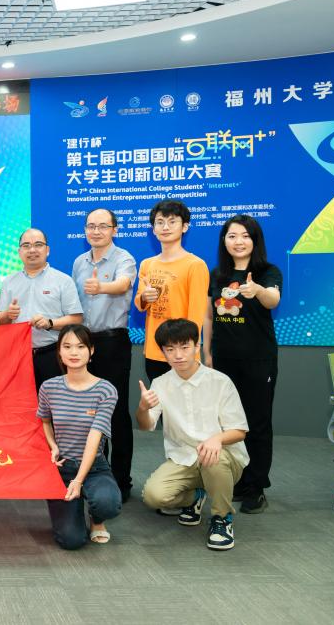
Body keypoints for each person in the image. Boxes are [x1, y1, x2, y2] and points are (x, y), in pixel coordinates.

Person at [137, 318, 249, 551]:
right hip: (183, 458)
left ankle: (222, 518)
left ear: (197, 346)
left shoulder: (220, 382)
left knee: (213, 458)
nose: (178, 355)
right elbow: (146, 426)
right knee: (153, 496)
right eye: (170, 349)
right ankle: (196, 496)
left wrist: (217, 439)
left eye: (184, 347)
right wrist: (143, 408)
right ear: (163, 352)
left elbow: (239, 431)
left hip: (222, 458)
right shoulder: (160, 383)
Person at [203, 214, 282, 514]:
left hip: (258, 360)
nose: (239, 241)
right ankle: (236, 479)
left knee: (257, 423)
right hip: (224, 359)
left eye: (245, 236)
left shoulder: (267, 271)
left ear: (255, 240)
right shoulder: (217, 274)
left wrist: (258, 291)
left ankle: (256, 486)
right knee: (228, 423)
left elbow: (273, 299)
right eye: (232, 235)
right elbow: (209, 315)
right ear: (224, 241)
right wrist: (207, 353)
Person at [71, 208, 138, 500]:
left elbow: (123, 285)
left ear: (115, 229)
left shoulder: (124, 258)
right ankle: (96, 475)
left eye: (102, 226)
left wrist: (101, 287)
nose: (95, 231)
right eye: (91, 226)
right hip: (84, 343)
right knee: (89, 412)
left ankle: (121, 480)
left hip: (112, 342)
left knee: (116, 412)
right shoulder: (79, 262)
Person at [38, 324, 122, 549]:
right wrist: (53, 445)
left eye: (80, 346)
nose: (73, 352)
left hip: (94, 467)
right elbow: (44, 421)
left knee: (108, 504)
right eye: (67, 347)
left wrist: (79, 480)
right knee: (71, 540)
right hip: (62, 469)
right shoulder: (49, 387)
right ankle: (73, 510)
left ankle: (97, 518)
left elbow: (95, 437)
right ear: (59, 351)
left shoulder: (105, 390)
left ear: (91, 350)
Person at [0, 227, 83, 390]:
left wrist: (50, 323)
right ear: (19, 251)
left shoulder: (63, 280)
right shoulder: (9, 281)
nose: (32, 250)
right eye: (26, 245)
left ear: (47, 250)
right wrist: (8, 314)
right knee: (20, 402)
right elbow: (0, 321)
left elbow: (76, 319)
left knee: (53, 403)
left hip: (52, 354)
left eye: (38, 245)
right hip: (17, 356)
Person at [134, 200, 209, 382]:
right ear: (153, 229)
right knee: (158, 399)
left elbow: (196, 313)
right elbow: (140, 304)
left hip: (181, 353)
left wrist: (189, 350)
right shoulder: (147, 264)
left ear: (185, 227)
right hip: (154, 350)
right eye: (160, 222)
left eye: (172, 221)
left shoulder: (195, 265)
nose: (165, 227)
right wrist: (145, 297)